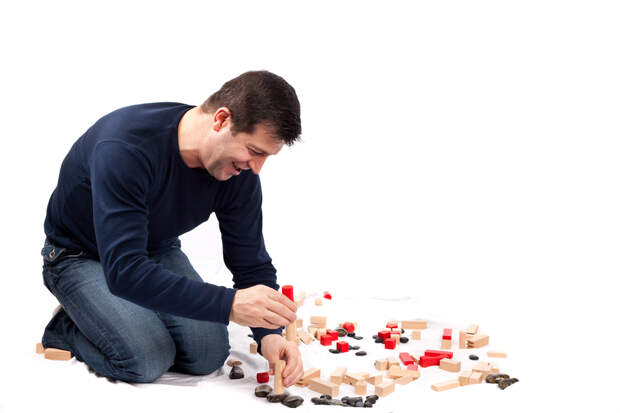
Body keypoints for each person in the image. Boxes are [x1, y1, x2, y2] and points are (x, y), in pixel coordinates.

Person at [40, 70, 304, 386]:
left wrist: (269, 336)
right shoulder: (125, 148)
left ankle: (113, 313)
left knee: (207, 353)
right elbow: (125, 271)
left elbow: (250, 263)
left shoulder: (238, 171)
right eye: (255, 151)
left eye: (267, 156)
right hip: (76, 255)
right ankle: (69, 325)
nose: (257, 168)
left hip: (152, 250)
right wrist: (230, 304)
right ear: (221, 120)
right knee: (146, 359)